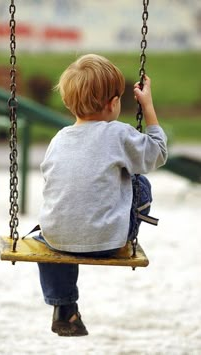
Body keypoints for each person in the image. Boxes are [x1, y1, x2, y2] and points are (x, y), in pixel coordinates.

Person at [36, 54, 168, 336]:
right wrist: (148, 106)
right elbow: (158, 153)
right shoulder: (118, 134)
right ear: (113, 103)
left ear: (69, 103)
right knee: (139, 180)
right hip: (109, 241)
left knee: (54, 235)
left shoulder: (58, 138)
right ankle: (122, 232)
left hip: (57, 240)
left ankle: (64, 306)